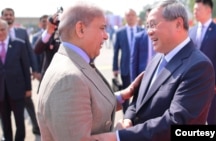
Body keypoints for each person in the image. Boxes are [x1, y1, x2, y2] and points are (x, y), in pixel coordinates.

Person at [91, 0, 215, 141]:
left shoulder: (198, 67)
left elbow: (176, 122)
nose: (149, 32)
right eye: (147, 26)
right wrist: (129, 119)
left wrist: (119, 136)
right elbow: (138, 101)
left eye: (153, 25)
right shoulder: (157, 58)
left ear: (178, 24)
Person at [36, 1, 142, 141]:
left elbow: (85, 104)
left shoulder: (72, 61)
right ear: (81, 29)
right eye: (102, 28)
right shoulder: (69, 79)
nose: (106, 36)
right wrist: (119, 134)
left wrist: (122, 96)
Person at [189, 0, 216, 125]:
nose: (195, 12)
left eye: (198, 9)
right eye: (194, 10)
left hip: (212, 84)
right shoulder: (191, 31)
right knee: (192, 118)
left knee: (211, 117)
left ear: (209, 10)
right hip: (192, 83)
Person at [1, 8, 41, 136]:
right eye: (5, 15)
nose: (8, 17)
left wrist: (34, 70)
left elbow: (28, 55)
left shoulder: (21, 36)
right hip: (2, 89)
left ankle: (36, 126)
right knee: (5, 118)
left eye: (10, 15)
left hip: (19, 84)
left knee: (25, 110)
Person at [0, 19, 31, 141]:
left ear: (8, 30)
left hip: (17, 90)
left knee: (19, 121)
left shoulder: (19, 44)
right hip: (1, 93)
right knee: (5, 121)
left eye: (2, 29)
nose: (0, 32)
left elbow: (25, 67)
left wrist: (28, 88)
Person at [112, 8, 143, 114]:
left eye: (132, 15)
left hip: (140, 67)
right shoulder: (120, 32)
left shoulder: (142, 31)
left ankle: (138, 113)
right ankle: (126, 115)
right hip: (125, 68)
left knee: (140, 92)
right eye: (128, 15)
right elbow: (116, 51)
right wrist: (115, 68)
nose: (130, 17)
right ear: (125, 18)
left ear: (136, 16)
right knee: (125, 93)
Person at [130, 8, 156, 81]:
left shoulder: (163, 36)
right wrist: (133, 82)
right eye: (149, 16)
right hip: (142, 75)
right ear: (146, 18)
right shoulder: (138, 37)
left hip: (158, 75)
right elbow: (133, 61)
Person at [31, 14, 49, 81]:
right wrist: (36, 71)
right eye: (44, 21)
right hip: (41, 70)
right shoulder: (35, 37)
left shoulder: (57, 35)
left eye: (48, 21)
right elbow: (34, 55)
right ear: (40, 24)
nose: (46, 23)